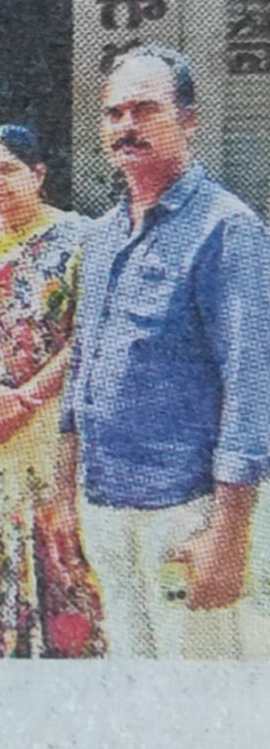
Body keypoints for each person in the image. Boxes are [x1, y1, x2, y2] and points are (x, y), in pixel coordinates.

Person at [54, 44, 270, 658]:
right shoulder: (100, 237)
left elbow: (251, 388)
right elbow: (81, 373)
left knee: (197, 706)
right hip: (104, 508)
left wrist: (228, 537)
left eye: (145, 110)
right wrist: (65, 495)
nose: (126, 127)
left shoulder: (227, 230)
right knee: (129, 682)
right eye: (114, 113)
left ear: (188, 119)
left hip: (184, 510)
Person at [0, 125, 104, 658]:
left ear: (39, 174)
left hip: (43, 421)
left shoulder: (80, 237)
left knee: (51, 543)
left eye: (7, 169)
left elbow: (86, 335)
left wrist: (24, 399)